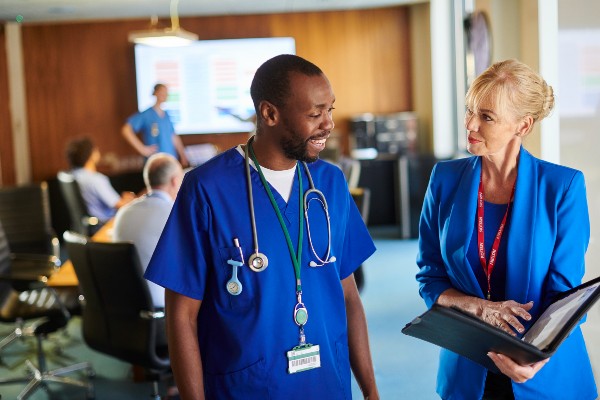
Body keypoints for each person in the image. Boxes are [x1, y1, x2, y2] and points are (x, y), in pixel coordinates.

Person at [144, 54, 379, 399]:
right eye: (315, 114)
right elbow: (182, 316)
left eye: (330, 109)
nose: (328, 124)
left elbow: (347, 295)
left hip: (326, 382)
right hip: (246, 387)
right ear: (269, 114)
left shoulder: (329, 184)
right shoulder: (207, 189)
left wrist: (371, 391)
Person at [416, 59, 598, 400]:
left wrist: (533, 361)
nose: (470, 123)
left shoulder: (563, 187)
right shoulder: (444, 179)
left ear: (523, 126)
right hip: (468, 369)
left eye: (486, 116)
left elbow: (564, 297)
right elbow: (430, 277)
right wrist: (477, 307)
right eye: (469, 110)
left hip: (543, 373)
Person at [113, 152, 184, 308]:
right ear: (175, 181)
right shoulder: (175, 215)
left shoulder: (123, 212)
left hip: (123, 301)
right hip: (160, 302)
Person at [66, 136, 135, 224]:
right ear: (91, 155)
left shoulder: (72, 176)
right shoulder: (96, 179)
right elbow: (119, 205)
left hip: (86, 226)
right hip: (104, 225)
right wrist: (133, 200)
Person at [122, 83, 189, 167]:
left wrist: (182, 154)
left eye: (166, 92)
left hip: (170, 160)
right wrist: (142, 149)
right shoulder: (147, 115)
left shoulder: (167, 115)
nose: (165, 95)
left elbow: (173, 136)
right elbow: (126, 130)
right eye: (162, 92)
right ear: (155, 93)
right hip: (155, 162)